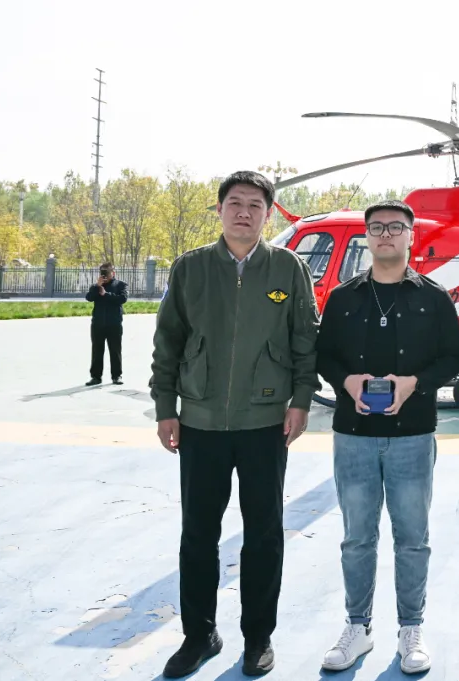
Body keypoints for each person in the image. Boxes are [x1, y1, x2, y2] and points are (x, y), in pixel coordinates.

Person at [150, 170, 321, 678]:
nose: (244, 212)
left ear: (268, 213)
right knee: (198, 534)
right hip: (200, 422)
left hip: (266, 423)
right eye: (235, 203)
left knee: (264, 534)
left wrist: (301, 400)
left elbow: (305, 339)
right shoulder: (191, 268)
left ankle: (258, 637)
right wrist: (165, 407)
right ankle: (199, 635)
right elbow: (168, 341)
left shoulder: (288, 268)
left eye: (255, 205)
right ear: (220, 209)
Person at [315, 199, 459, 674]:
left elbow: (453, 357)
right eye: (377, 227)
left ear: (411, 236)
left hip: (412, 435)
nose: (385, 235)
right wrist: (347, 381)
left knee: (412, 539)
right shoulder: (343, 298)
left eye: (396, 227)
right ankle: (357, 627)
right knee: (357, 538)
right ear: (366, 236)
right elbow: (323, 355)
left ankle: (410, 628)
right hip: (354, 435)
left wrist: (414, 384)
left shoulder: (433, 298)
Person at [85, 262, 128, 386]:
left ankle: (117, 376)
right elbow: (89, 298)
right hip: (98, 323)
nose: (105, 275)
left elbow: (122, 299)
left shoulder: (120, 285)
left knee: (115, 350)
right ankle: (96, 377)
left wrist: (106, 294)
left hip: (114, 323)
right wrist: (97, 286)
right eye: (102, 272)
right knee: (97, 351)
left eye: (107, 272)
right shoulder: (96, 286)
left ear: (113, 273)